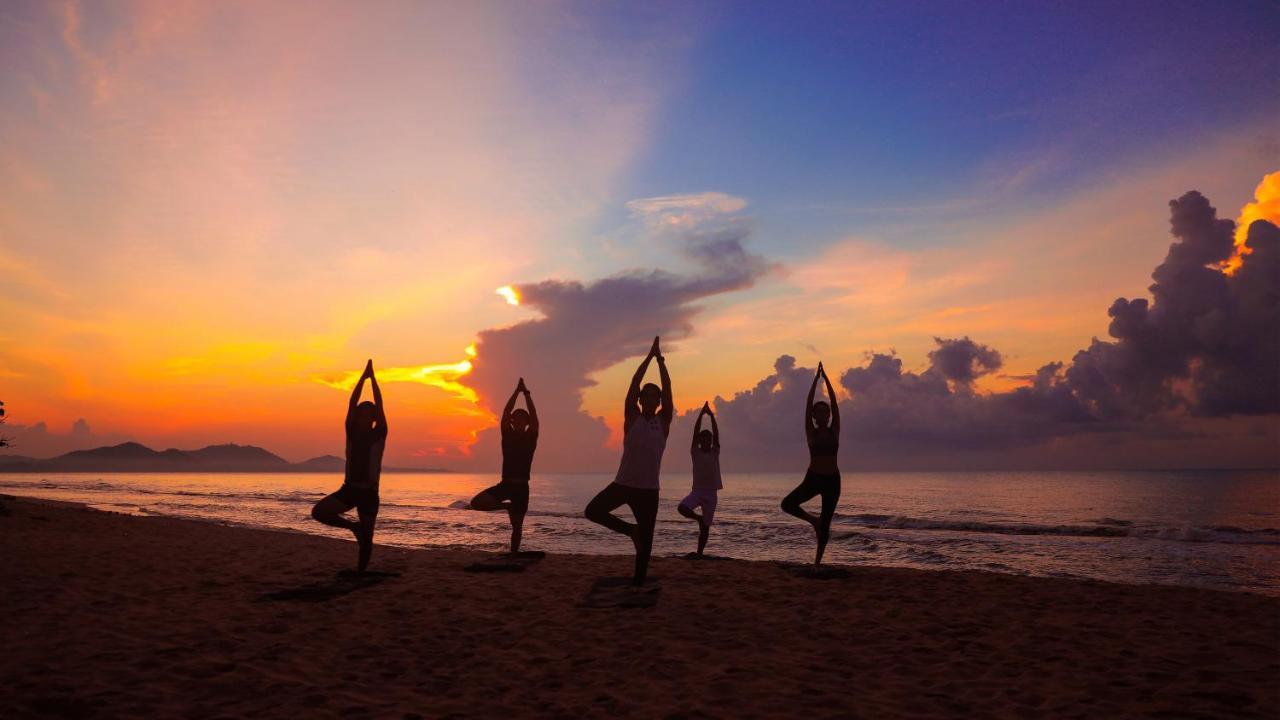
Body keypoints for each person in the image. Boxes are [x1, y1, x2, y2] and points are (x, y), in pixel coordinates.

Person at [584, 336, 672, 586]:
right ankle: (629, 531)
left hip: (649, 491)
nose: (650, 398)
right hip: (623, 484)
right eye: (646, 395)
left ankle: (638, 584)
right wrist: (648, 357)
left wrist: (661, 361)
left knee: (646, 545)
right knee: (593, 511)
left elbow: (667, 388)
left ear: (659, 401)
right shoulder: (632, 417)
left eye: (654, 396)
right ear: (640, 400)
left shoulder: (663, 422)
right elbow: (634, 383)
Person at [311, 359, 388, 573]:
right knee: (319, 512)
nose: (364, 416)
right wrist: (362, 378)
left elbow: (380, 405)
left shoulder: (379, 433)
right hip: (350, 489)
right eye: (361, 414)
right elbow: (351, 403)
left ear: (373, 418)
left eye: (368, 414)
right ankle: (352, 527)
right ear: (357, 417)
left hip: (370, 493)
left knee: (368, 538)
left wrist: (373, 381)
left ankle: (360, 571)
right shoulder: (352, 432)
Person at [469, 378, 539, 553]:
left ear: (527, 423)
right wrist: (516, 392)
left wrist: (527, 394)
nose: (518, 421)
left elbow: (535, 416)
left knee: (517, 526)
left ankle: (513, 554)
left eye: (523, 419)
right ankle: (506, 506)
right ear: (512, 422)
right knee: (476, 502)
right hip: (505, 484)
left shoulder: (531, 437)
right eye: (516, 419)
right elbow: (506, 412)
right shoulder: (507, 435)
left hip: (522, 487)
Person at [781, 361, 840, 565]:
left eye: (826, 412)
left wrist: (828, 380)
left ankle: (817, 563)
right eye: (819, 412)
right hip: (813, 478)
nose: (823, 414)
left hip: (833, 481)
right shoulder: (810, 432)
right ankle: (812, 520)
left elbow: (834, 403)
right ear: (814, 417)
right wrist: (816, 380)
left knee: (827, 524)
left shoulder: (835, 430)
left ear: (829, 415)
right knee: (787, 504)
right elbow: (807, 405)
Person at [677, 401, 721, 556]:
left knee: (705, 528)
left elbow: (716, 434)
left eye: (708, 439)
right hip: (697, 491)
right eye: (703, 439)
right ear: (700, 441)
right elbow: (695, 433)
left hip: (711, 493)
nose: (706, 441)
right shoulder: (695, 452)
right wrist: (701, 415)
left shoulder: (714, 452)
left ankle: (699, 554)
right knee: (682, 508)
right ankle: (698, 518)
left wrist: (712, 416)